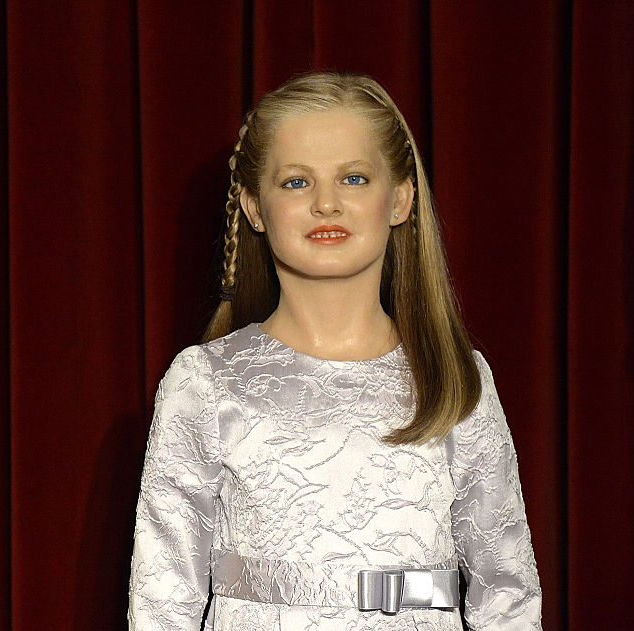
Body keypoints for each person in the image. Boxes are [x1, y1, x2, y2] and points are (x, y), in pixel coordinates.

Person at [128, 72, 542, 630]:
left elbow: (507, 595)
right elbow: (161, 600)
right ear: (254, 207)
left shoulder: (454, 379)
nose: (327, 203)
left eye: (353, 178)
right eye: (297, 183)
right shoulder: (206, 384)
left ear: (399, 199)